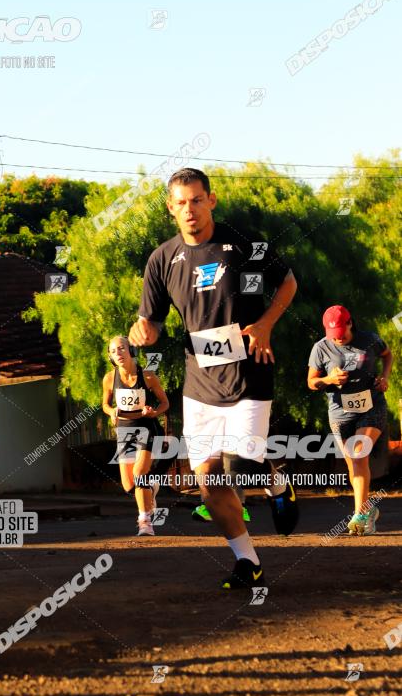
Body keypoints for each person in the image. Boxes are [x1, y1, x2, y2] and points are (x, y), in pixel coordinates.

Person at [128, 167, 299, 589]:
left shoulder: (243, 244)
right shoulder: (162, 259)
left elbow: (289, 283)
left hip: (249, 374)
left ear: (212, 200)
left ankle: (276, 483)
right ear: (171, 208)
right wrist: (143, 333)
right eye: (181, 203)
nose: (190, 209)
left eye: (197, 200)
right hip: (200, 384)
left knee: (239, 469)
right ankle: (248, 562)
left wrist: (265, 325)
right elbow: (149, 323)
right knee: (208, 484)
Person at [307, 305, 393, 535]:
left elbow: (387, 354)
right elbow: (311, 382)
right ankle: (368, 513)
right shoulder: (320, 348)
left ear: (349, 323)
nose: (338, 338)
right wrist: (329, 378)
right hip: (339, 412)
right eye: (332, 334)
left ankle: (358, 516)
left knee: (359, 452)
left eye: (341, 333)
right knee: (354, 465)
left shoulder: (370, 340)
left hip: (371, 406)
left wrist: (384, 378)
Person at [102, 335, 170, 536]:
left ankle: (145, 521)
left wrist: (154, 412)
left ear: (131, 350)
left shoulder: (147, 375)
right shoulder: (109, 378)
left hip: (147, 428)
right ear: (111, 357)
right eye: (114, 351)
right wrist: (111, 411)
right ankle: (152, 488)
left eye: (122, 348)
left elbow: (165, 403)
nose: (118, 354)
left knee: (140, 474)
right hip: (125, 430)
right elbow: (104, 405)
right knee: (129, 485)